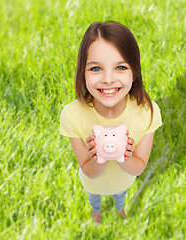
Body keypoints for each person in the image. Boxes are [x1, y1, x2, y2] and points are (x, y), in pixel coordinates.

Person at [60, 21, 162, 224]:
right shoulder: (72, 114)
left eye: (121, 67)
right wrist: (100, 156)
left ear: (134, 73)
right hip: (92, 182)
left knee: (120, 195)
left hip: (124, 180)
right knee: (94, 198)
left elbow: (139, 167)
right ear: (83, 73)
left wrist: (122, 156)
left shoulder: (148, 111)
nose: (108, 79)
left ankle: (120, 209)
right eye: (96, 68)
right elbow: (89, 170)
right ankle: (96, 213)